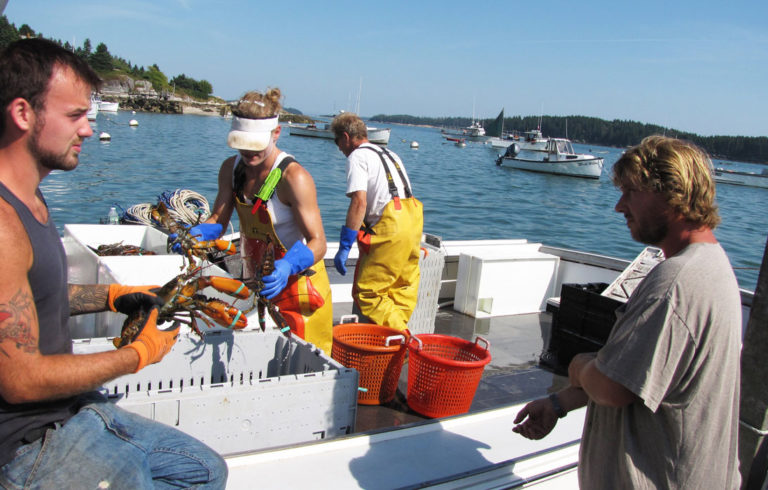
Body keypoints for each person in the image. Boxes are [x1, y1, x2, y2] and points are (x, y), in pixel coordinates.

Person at [0, 38, 227, 488]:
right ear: (24, 114)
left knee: (202, 471)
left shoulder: (32, 197)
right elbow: (20, 380)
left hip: (70, 410)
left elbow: (32, 300)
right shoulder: (3, 224)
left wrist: (111, 295)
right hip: (24, 442)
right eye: (74, 116)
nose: (88, 129)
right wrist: (133, 356)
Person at [513, 135, 742, 488]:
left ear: (672, 193)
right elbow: (644, 376)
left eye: (631, 192)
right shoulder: (710, 265)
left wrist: (580, 366)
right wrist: (559, 403)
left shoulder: (675, 283)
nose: (620, 207)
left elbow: (613, 388)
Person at [188, 88, 333, 353]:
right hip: (258, 281)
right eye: (242, 143)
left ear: (276, 133)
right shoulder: (230, 169)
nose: (248, 152)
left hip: (301, 287)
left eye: (255, 144)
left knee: (302, 363)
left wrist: (288, 265)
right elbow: (219, 220)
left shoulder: (293, 178)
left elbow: (319, 242)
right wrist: (196, 234)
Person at [330, 113, 423, 331]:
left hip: (390, 229)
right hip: (413, 223)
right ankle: (392, 347)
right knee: (401, 289)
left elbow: (359, 202)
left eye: (337, 142)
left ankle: (402, 338)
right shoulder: (391, 154)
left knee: (368, 294)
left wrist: (345, 245)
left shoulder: (357, 157)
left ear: (346, 137)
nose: (339, 148)